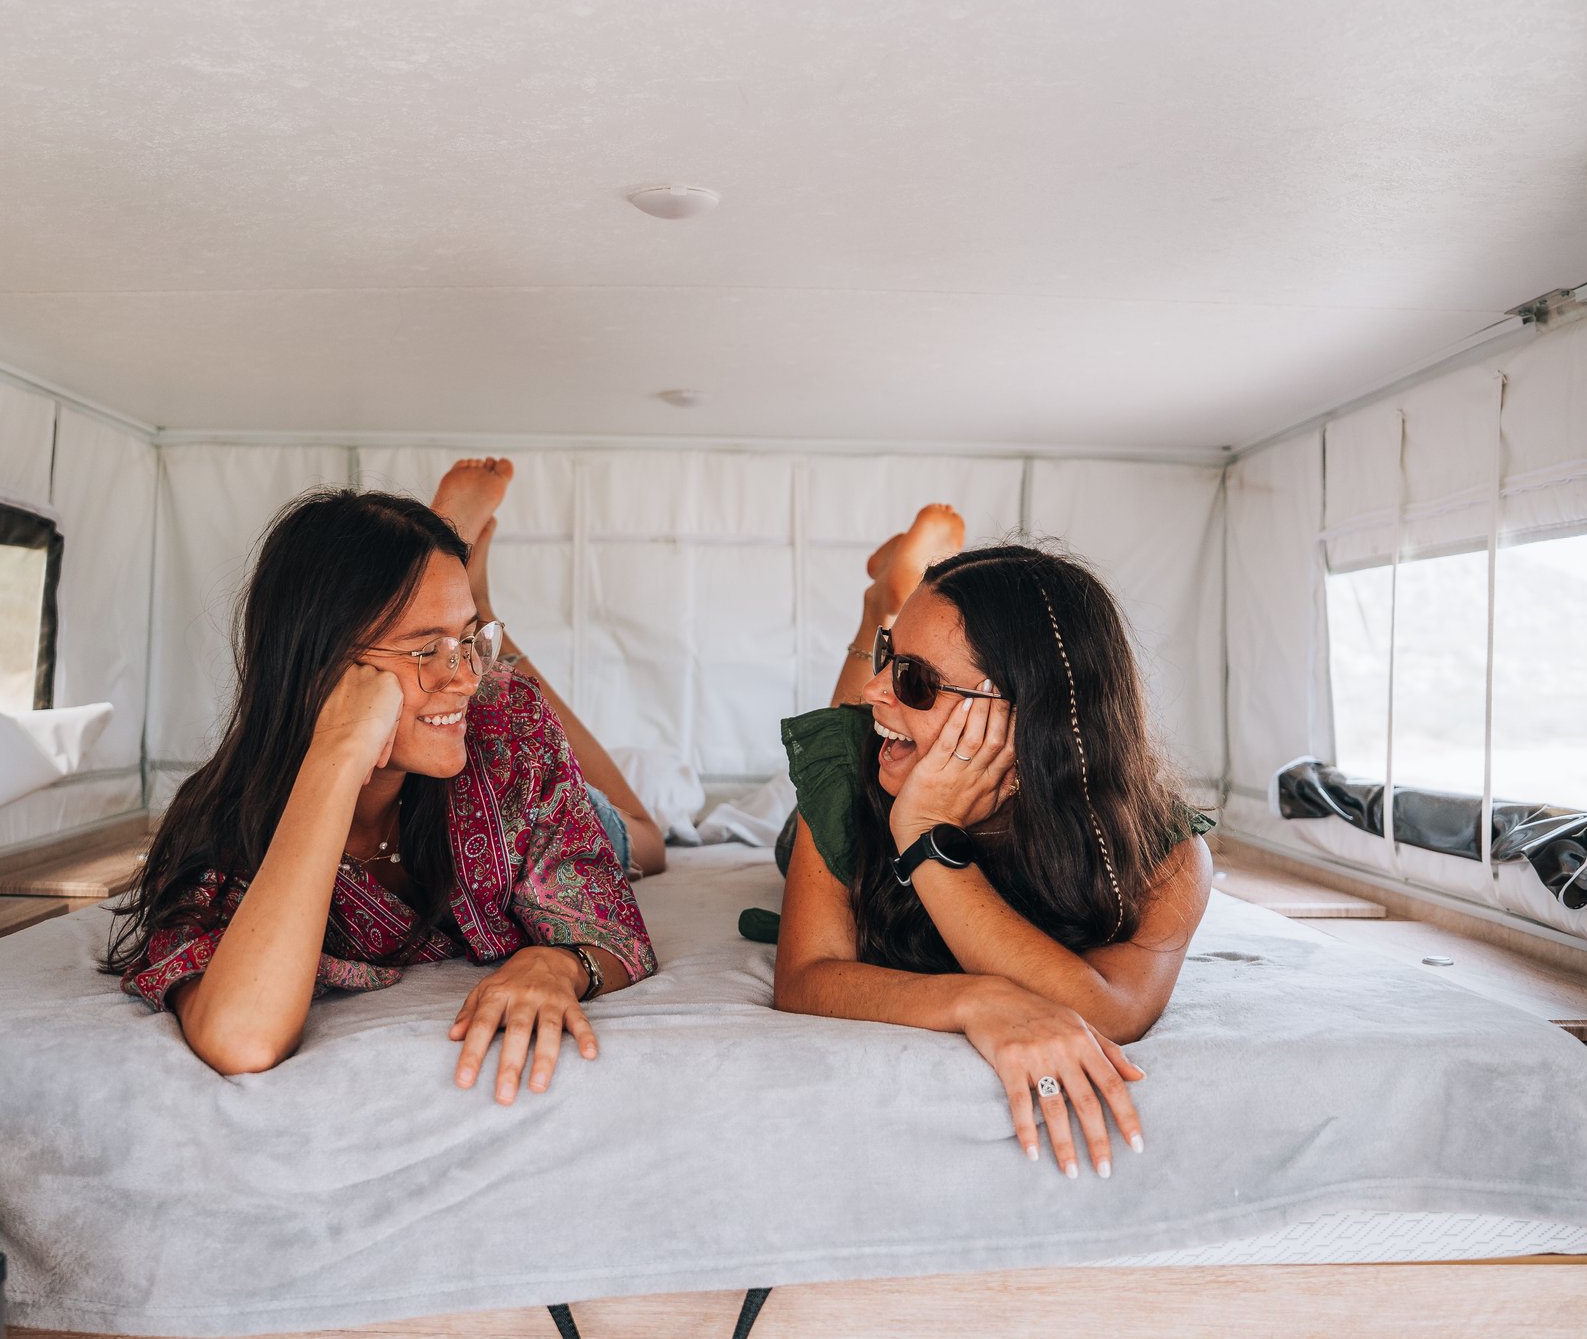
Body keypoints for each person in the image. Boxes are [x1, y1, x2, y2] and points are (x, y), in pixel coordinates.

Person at [105, 489, 655, 1096]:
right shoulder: (223, 829)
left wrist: (552, 962)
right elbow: (242, 1037)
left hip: (540, 806)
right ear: (321, 665)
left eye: (471, 637)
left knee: (646, 840)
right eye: (427, 650)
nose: (469, 677)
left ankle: (479, 595)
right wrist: (338, 757)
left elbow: (612, 930)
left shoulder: (507, 723)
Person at [761, 510, 1215, 1181]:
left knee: (869, 721)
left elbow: (1111, 1012)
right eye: (890, 657)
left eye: (915, 678)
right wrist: (975, 1000)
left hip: (916, 797)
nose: (877, 686)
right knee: (853, 730)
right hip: (854, 796)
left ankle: (894, 599)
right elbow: (804, 978)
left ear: (1030, 712)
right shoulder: (850, 775)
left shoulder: (1166, 854)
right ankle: (884, 605)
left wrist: (924, 838)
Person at [428, 456, 670, 877]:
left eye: (469, 636)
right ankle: (464, 594)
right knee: (647, 840)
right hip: (491, 801)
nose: (469, 675)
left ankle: (450, 581)